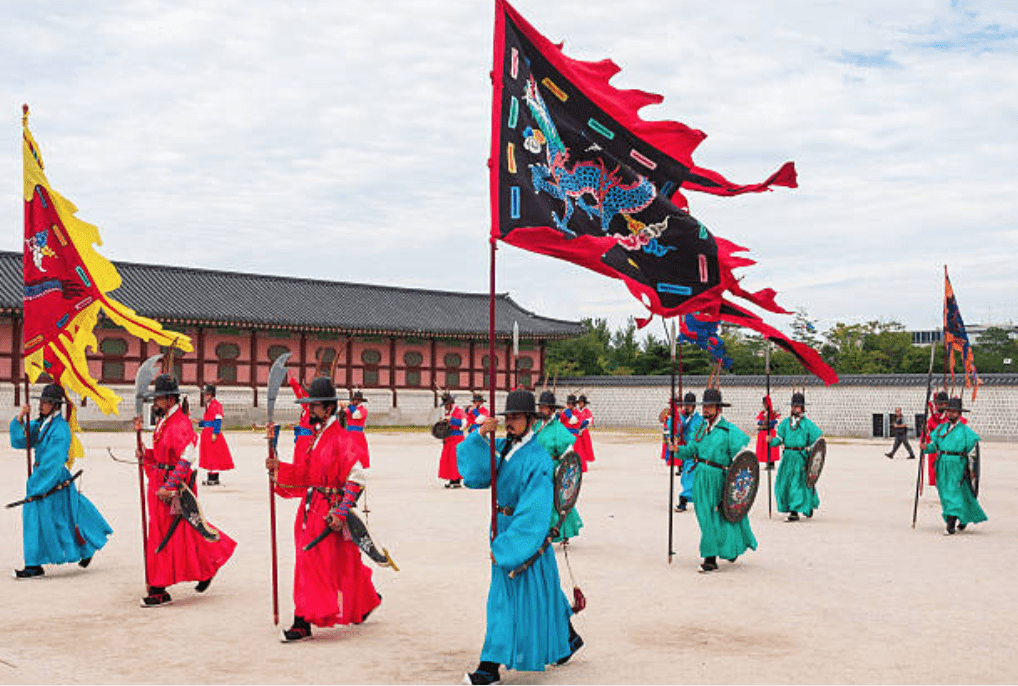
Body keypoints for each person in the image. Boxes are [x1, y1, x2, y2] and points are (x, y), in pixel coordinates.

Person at [457, 390, 583, 685]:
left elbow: (534, 510)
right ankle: (568, 638)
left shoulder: (538, 459)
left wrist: (507, 547)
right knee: (544, 591)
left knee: (503, 601)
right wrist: (479, 436)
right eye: (508, 417)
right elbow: (477, 475)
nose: (510, 422)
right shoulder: (504, 447)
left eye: (516, 417)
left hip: (524, 536)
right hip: (504, 527)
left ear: (530, 420)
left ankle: (489, 667)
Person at [266, 377, 381, 642]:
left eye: (314, 406)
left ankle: (302, 622)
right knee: (342, 560)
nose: (310, 410)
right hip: (312, 507)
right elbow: (307, 473)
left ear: (328, 409)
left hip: (328, 511)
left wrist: (340, 512)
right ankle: (365, 601)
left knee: (311, 561)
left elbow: (356, 478)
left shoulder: (342, 438)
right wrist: (279, 467)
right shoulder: (317, 437)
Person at [135, 374, 237, 607]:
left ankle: (158, 588)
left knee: (167, 533)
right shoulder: (164, 421)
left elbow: (186, 458)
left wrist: (170, 486)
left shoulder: (180, 423)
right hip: (160, 484)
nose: (155, 402)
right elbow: (162, 456)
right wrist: (146, 455)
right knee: (184, 531)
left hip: (174, 488)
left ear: (170, 400)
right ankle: (208, 564)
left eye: (158, 398)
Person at [9, 384, 112, 579]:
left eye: (46, 402)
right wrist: (20, 417)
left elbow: (53, 460)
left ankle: (35, 564)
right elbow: (22, 440)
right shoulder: (43, 423)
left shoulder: (60, 429)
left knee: (60, 519)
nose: (41, 405)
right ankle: (39, 562)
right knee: (53, 519)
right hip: (44, 477)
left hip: (52, 479)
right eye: (41, 401)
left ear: (55, 405)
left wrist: (36, 485)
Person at [673, 388, 758, 573]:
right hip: (700, 478)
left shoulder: (729, 431)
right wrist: (677, 449)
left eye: (710, 406)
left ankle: (711, 558)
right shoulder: (700, 429)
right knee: (705, 517)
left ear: (718, 408)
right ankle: (717, 551)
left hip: (720, 479)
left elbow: (742, 459)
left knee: (721, 516)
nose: (706, 410)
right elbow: (691, 450)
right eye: (704, 406)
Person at [921, 397, 986, 535]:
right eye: (949, 411)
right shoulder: (940, 429)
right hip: (942, 464)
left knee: (953, 493)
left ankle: (950, 524)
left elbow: (973, 453)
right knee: (946, 493)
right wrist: (926, 447)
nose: (951, 413)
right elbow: (935, 446)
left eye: (954, 411)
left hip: (958, 465)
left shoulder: (966, 432)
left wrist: (972, 470)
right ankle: (963, 517)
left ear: (959, 414)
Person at [533, 390, 582, 542]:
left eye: (544, 407)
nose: (541, 410)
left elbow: (569, 451)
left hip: (552, 469)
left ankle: (562, 531)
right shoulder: (537, 426)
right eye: (540, 407)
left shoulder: (558, 428)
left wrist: (561, 470)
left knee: (557, 502)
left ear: (552, 410)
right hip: (537, 468)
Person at [770, 392, 823, 521]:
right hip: (787, 458)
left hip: (801, 458)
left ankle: (794, 511)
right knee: (785, 484)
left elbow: (817, 443)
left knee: (797, 484)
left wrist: (811, 454)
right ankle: (802, 506)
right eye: (793, 406)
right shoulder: (785, 424)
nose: (795, 408)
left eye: (798, 406)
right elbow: (779, 439)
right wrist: (770, 441)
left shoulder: (808, 424)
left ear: (802, 408)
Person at [198, 384, 234, 486]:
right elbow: (209, 421)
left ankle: (213, 478)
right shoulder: (208, 405)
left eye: (207, 394)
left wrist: (215, 433)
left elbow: (217, 420)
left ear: (212, 395)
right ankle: (210, 476)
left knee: (214, 455)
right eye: (205, 394)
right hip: (206, 433)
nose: (205, 396)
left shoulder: (216, 405)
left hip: (212, 433)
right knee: (208, 455)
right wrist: (200, 423)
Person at [438, 392, 466, 488]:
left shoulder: (459, 411)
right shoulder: (447, 413)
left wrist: (452, 420)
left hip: (457, 438)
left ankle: (457, 480)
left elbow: (464, 424)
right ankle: (451, 479)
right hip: (449, 438)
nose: (445, 407)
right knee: (448, 460)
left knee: (456, 459)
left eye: (446, 405)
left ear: (451, 404)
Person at [344, 389, 371, 468]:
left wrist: (350, 406)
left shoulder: (363, 410)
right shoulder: (350, 408)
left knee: (362, 450)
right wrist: (342, 407)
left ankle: (364, 466)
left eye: (356, 400)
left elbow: (356, 415)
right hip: (349, 433)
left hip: (358, 434)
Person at [755, 397, 781, 470]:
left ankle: (771, 463)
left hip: (770, 432)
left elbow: (777, 420)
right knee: (765, 449)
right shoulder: (763, 413)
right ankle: (767, 462)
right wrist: (762, 422)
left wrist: (770, 422)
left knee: (771, 448)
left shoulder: (773, 413)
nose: (765, 405)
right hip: (764, 432)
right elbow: (758, 421)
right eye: (764, 404)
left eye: (766, 404)